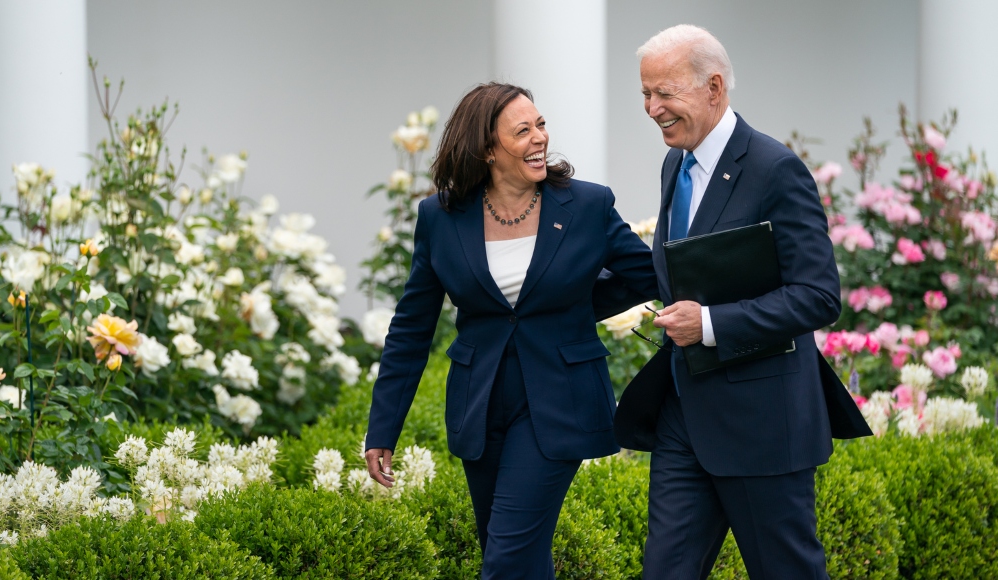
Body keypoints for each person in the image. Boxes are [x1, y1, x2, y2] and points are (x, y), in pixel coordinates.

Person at [364, 82, 657, 579]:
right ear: (487, 149)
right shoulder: (440, 216)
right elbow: (412, 327)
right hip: (479, 404)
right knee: (518, 557)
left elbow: (646, 274)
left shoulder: (586, 205)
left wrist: (573, 309)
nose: (540, 138)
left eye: (540, 125)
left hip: (559, 400)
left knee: (506, 560)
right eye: (523, 131)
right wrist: (383, 428)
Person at [629, 25, 860, 579]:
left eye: (664, 93)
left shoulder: (775, 169)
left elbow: (818, 295)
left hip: (763, 425)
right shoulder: (675, 164)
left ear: (714, 87)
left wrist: (709, 323)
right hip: (684, 418)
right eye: (645, 94)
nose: (652, 108)